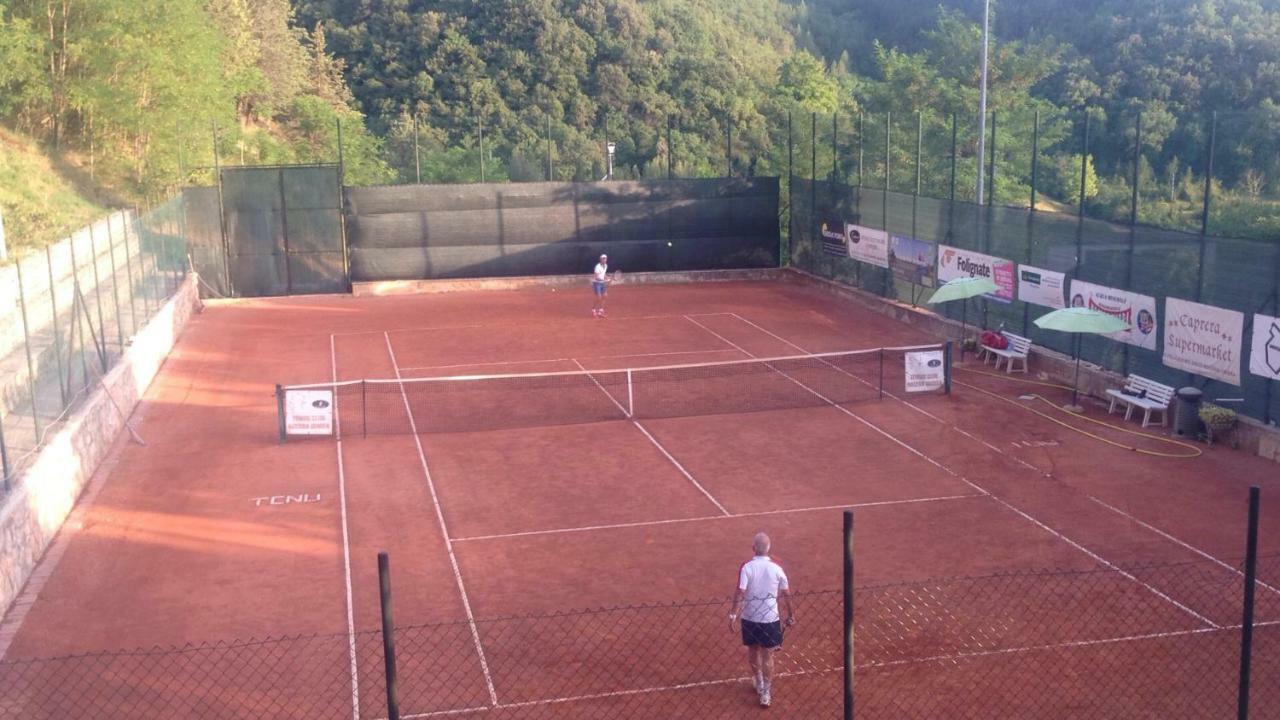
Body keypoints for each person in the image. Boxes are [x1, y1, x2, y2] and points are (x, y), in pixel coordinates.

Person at [729, 531, 795, 708]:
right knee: (768, 654)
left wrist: (733, 614)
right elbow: (786, 593)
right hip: (770, 618)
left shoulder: (747, 567)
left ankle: (758, 681)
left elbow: (741, 592)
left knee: (753, 650)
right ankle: (766, 691)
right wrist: (790, 614)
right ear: (769, 549)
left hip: (750, 617)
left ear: (753, 548)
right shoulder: (777, 568)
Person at [591, 253, 610, 318]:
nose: (604, 260)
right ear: (600, 259)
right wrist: (604, 280)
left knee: (605, 296)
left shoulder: (606, 266)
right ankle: (593, 310)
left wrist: (607, 277)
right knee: (599, 298)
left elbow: (603, 274)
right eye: (603, 259)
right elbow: (596, 277)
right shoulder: (597, 266)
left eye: (605, 259)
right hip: (597, 283)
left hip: (602, 283)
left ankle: (600, 311)